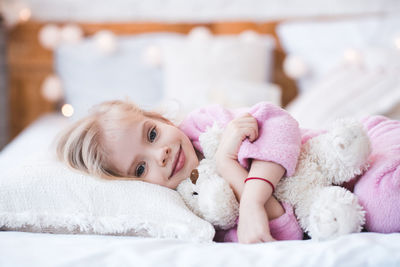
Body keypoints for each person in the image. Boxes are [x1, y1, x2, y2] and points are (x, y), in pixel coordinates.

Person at [57, 100, 303, 243]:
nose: (160, 154)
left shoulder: (205, 125)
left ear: (161, 119)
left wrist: (252, 201)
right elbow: (289, 234)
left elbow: (277, 121)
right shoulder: (195, 212)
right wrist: (226, 163)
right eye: (141, 168)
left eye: (152, 134)